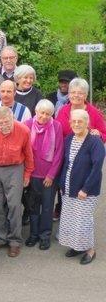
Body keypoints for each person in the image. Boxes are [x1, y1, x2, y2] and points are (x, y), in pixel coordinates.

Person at [0, 106, 34, 257]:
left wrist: (27, 174)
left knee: (14, 205)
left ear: (13, 118)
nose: (4, 126)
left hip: (15, 168)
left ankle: (15, 241)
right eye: (1, 123)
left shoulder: (23, 130)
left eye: (7, 122)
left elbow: (28, 153)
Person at [58, 109, 105, 265]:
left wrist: (85, 189)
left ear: (87, 123)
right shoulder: (69, 138)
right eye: (74, 121)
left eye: (80, 121)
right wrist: (62, 183)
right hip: (69, 187)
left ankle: (90, 250)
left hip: (86, 190)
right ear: (70, 123)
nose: (76, 124)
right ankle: (77, 247)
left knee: (83, 221)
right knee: (71, 219)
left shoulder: (95, 142)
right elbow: (65, 163)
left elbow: (96, 167)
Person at [23, 100, 64, 250]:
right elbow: (23, 151)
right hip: (32, 174)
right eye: (42, 112)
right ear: (36, 111)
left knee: (47, 207)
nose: (44, 116)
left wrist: (51, 175)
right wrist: (27, 174)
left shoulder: (57, 126)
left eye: (48, 114)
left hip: (48, 177)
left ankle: (44, 236)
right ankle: (33, 235)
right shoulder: (27, 124)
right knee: (33, 206)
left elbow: (59, 153)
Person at [56, 77, 106, 141]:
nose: (76, 95)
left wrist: (99, 134)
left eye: (80, 93)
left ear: (86, 95)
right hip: (66, 149)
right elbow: (56, 131)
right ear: (69, 94)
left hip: (87, 149)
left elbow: (104, 134)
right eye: (73, 92)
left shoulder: (94, 112)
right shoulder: (63, 111)